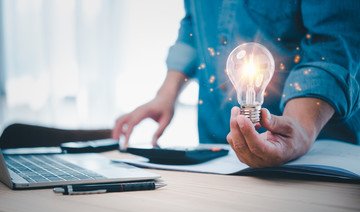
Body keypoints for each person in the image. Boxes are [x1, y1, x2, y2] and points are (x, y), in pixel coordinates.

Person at [112, 0, 360, 168]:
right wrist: (165, 95)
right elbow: (193, 24)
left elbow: (336, 39)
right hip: (218, 150)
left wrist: (301, 126)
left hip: (313, 153)